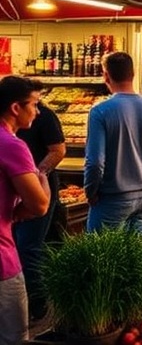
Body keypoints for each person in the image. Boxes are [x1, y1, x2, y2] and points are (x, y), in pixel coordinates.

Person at [84, 52, 142, 235]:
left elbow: (95, 162)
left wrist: (90, 191)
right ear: (133, 74)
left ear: (106, 75)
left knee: (103, 257)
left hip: (111, 197)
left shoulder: (100, 112)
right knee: (138, 259)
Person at [0, 76, 50, 341]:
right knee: (13, 336)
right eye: (34, 104)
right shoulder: (12, 145)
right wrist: (42, 179)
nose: (38, 111)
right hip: (2, 261)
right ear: (15, 108)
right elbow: (40, 205)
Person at [13, 81, 65, 322]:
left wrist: (37, 174)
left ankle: (37, 301)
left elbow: (58, 149)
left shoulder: (45, 116)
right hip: (16, 186)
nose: (37, 108)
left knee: (28, 244)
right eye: (33, 102)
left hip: (39, 185)